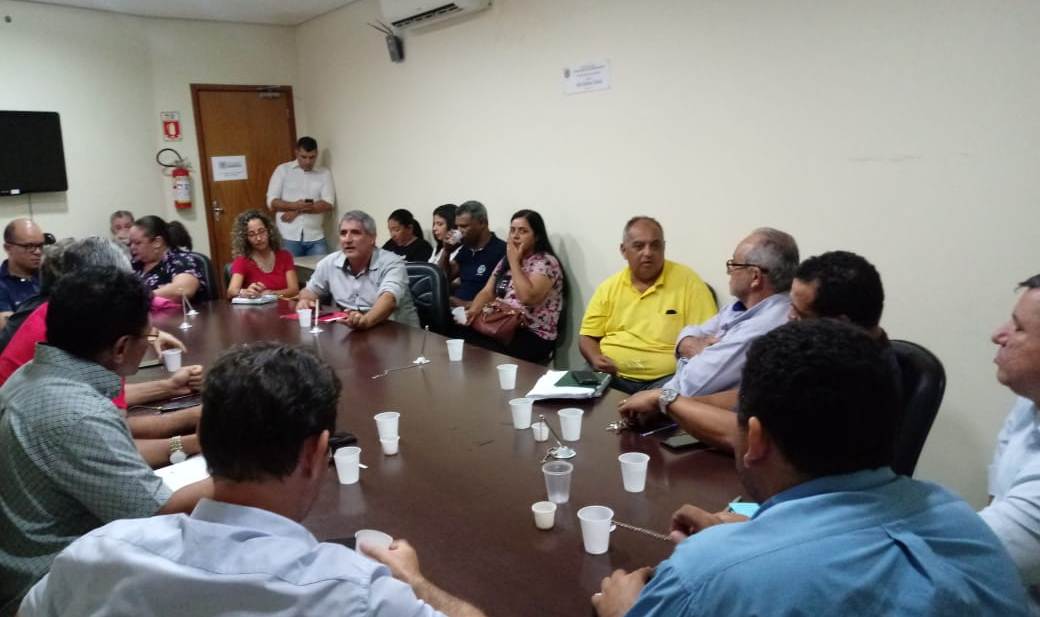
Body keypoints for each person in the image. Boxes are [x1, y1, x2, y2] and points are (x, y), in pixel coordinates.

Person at [593, 320, 1030, 617]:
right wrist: (751, 530)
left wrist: (624, 612)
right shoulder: (964, 525)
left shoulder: (704, 574)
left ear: (755, 438)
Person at [19, 342, 488, 617]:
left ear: (205, 438)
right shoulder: (357, 594)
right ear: (316, 454)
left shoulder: (95, 554)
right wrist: (414, 582)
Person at [0, 267, 212, 615]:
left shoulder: (31, 376)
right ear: (121, 347)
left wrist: (191, 433)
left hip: (25, 565)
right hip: (48, 586)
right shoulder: (78, 412)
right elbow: (160, 512)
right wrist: (253, 458)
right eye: (148, 335)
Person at [0, 237, 204, 468]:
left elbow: (101, 397)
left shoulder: (60, 314)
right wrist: (191, 430)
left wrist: (169, 387)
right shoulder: (82, 332)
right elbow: (109, 435)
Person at [616, 228, 796, 426]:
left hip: (699, 421)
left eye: (734, 265)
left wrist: (659, 394)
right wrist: (691, 344)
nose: (729, 272)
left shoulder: (763, 327)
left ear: (755, 277)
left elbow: (691, 387)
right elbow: (691, 331)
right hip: (677, 404)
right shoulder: (740, 306)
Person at [580, 216, 717, 393]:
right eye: (639, 246)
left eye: (655, 245)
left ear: (664, 248)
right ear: (623, 250)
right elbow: (587, 336)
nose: (648, 253)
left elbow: (709, 338)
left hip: (669, 379)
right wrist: (595, 358)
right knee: (576, 395)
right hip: (612, 376)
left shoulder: (689, 282)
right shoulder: (609, 287)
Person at [980, 273, 1040, 612]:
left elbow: (977, 554)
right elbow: (996, 504)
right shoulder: (1028, 402)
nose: (998, 335)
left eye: (1018, 328)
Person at [462, 210, 564, 364]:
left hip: (532, 332)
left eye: (523, 231)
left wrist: (515, 262)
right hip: (501, 321)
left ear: (536, 236)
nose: (515, 236)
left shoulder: (546, 262)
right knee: (462, 335)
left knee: (481, 351)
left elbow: (527, 298)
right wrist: (473, 311)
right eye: (512, 230)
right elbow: (487, 291)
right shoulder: (506, 259)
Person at [297, 210, 419, 329]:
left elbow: (389, 299)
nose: (347, 239)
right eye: (343, 233)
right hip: (353, 331)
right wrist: (305, 300)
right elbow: (310, 291)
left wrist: (365, 321)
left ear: (372, 238)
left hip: (395, 332)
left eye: (355, 233)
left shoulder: (392, 262)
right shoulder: (329, 262)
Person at [266, 136, 336, 257]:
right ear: (296, 153)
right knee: (289, 269)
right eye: (304, 157)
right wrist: (294, 205)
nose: (308, 161)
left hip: (315, 236)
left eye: (312, 157)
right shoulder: (283, 170)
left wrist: (297, 211)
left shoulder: (324, 173)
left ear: (317, 154)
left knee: (322, 269)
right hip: (287, 236)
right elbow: (271, 202)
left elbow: (328, 204)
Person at [437, 201, 506, 308]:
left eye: (464, 226)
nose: (459, 231)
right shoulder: (467, 249)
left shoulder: (501, 250)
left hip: (480, 311)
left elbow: (504, 295)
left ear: (482, 222)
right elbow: (442, 278)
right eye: (457, 226)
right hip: (455, 310)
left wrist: (465, 304)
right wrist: (446, 252)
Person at [226, 209, 299, 299]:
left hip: (283, 305)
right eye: (251, 234)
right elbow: (231, 291)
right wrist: (244, 292)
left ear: (269, 231)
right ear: (245, 238)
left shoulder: (285, 255)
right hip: (257, 307)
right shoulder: (243, 260)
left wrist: (272, 294)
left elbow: (294, 290)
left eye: (261, 231)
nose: (259, 238)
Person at [129, 215, 205, 301]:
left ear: (157, 242)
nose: (132, 247)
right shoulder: (135, 264)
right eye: (130, 243)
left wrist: (140, 298)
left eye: (137, 243)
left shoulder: (180, 260)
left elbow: (183, 290)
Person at [0, 218, 45, 322]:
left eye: (40, 245)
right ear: (8, 248)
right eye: (29, 246)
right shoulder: (2, 284)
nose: (38, 252)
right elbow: (8, 327)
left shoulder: (51, 275)